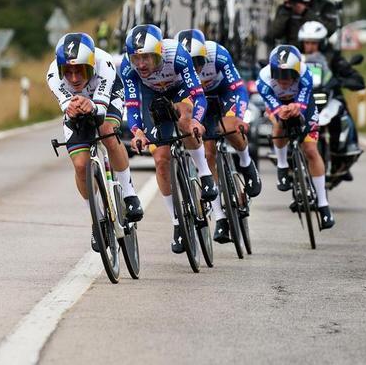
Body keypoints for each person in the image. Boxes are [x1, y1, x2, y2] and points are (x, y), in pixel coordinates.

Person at [120, 24, 219, 253]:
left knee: (184, 120)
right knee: (162, 160)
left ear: (160, 52)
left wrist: (196, 120)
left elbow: (199, 97)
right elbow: (133, 105)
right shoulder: (128, 67)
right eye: (137, 58)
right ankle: (177, 222)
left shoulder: (177, 54)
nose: (142, 65)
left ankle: (204, 175)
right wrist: (137, 131)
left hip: (179, 91)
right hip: (150, 96)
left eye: (148, 58)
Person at [47, 32, 144, 252]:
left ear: (90, 65)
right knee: (81, 165)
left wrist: (91, 105)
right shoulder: (53, 74)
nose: (73, 78)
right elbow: (67, 106)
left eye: (80, 70)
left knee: (107, 131)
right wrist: (72, 107)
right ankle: (97, 220)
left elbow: (99, 108)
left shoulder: (105, 64)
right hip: (78, 104)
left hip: (108, 97)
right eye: (68, 72)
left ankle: (129, 195)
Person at [176, 29, 261, 244]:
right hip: (199, 99)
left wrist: (238, 116)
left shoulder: (219, 54)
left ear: (205, 55)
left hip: (225, 93)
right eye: (190, 61)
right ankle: (220, 217)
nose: (194, 66)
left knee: (231, 127)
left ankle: (246, 163)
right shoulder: (177, 65)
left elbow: (238, 87)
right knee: (208, 152)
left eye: (198, 61)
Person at [257, 44, 335, 230]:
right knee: (278, 124)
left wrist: (297, 108)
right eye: (279, 76)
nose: (284, 81)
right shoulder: (263, 79)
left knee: (310, 149)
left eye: (289, 76)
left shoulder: (306, 74)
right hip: (278, 104)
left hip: (303, 103)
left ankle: (323, 206)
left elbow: (303, 100)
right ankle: (283, 167)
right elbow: (274, 108)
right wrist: (281, 111)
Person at [297, 21, 365, 180]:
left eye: (314, 42)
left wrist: (342, 81)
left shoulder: (333, 58)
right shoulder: (296, 59)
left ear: (322, 43)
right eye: (307, 42)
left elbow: (356, 79)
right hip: (303, 100)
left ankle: (341, 154)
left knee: (342, 112)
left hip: (329, 98)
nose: (310, 46)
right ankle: (285, 156)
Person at [265, 0, 338, 49]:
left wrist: (305, 12)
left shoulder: (324, 6)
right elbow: (272, 35)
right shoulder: (285, 9)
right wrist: (286, 10)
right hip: (292, 53)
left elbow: (331, 29)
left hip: (319, 54)